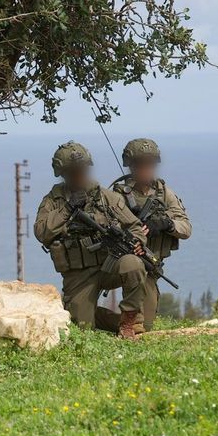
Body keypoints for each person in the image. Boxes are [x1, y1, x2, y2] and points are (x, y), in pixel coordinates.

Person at [34, 141, 148, 340]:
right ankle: (113, 321)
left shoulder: (105, 197)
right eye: (73, 171)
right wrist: (68, 209)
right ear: (63, 173)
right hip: (79, 274)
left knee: (133, 264)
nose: (79, 175)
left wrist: (138, 242)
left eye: (83, 169)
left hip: (109, 265)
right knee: (81, 326)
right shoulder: (54, 200)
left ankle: (129, 321)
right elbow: (41, 232)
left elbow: (134, 226)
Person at [105, 138, 192, 332]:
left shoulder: (163, 193)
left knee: (146, 327)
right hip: (123, 265)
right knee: (84, 318)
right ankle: (110, 320)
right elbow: (109, 229)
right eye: (141, 164)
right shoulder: (117, 195)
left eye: (150, 164)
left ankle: (123, 323)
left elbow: (186, 228)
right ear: (131, 165)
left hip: (150, 267)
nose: (146, 169)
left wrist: (166, 224)